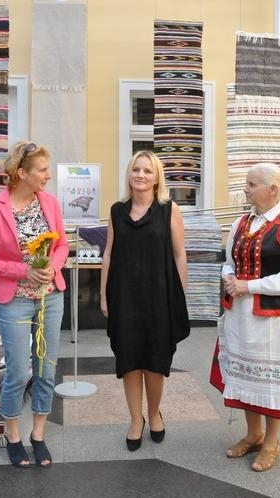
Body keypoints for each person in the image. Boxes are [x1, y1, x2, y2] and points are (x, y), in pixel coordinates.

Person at [0, 141, 69, 468]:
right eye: (42, 170)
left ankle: (38, 434)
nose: (48, 175)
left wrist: (53, 266)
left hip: (50, 297)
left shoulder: (50, 203)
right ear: (21, 173)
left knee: (46, 368)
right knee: (16, 371)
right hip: (13, 299)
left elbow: (62, 246)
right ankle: (12, 434)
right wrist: (23, 270)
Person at [218, 163, 280, 472]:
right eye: (247, 183)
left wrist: (249, 286)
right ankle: (253, 434)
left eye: (252, 184)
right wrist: (230, 278)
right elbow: (229, 262)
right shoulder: (240, 223)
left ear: (273, 189)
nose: (245, 189)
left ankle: (271, 442)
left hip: (274, 317)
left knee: (271, 380)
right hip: (240, 314)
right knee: (246, 374)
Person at [100, 150, 190, 452]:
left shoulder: (169, 210)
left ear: (156, 178)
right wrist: (103, 295)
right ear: (129, 174)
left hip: (159, 297)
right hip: (124, 297)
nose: (140, 175)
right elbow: (108, 253)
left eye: (147, 171)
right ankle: (135, 420)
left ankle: (153, 414)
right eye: (136, 169)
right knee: (129, 362)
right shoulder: (116, 211)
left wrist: (179, 296)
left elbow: (180, 254)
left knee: (154, 362)